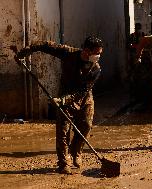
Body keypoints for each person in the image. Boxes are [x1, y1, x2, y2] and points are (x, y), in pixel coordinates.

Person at [14, 36, 103, 174]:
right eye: (96, 53)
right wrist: (25, 52)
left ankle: (76, 152)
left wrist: (63, 100)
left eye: (100, 53)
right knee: (63, 130)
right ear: (86, 51)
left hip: (84, 96)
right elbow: (45, 45)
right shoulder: (68, 53)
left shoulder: (96, 69)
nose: (98, 56)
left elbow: (82, 91)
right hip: (65, 91)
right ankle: (63, 163)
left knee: (86, 125)